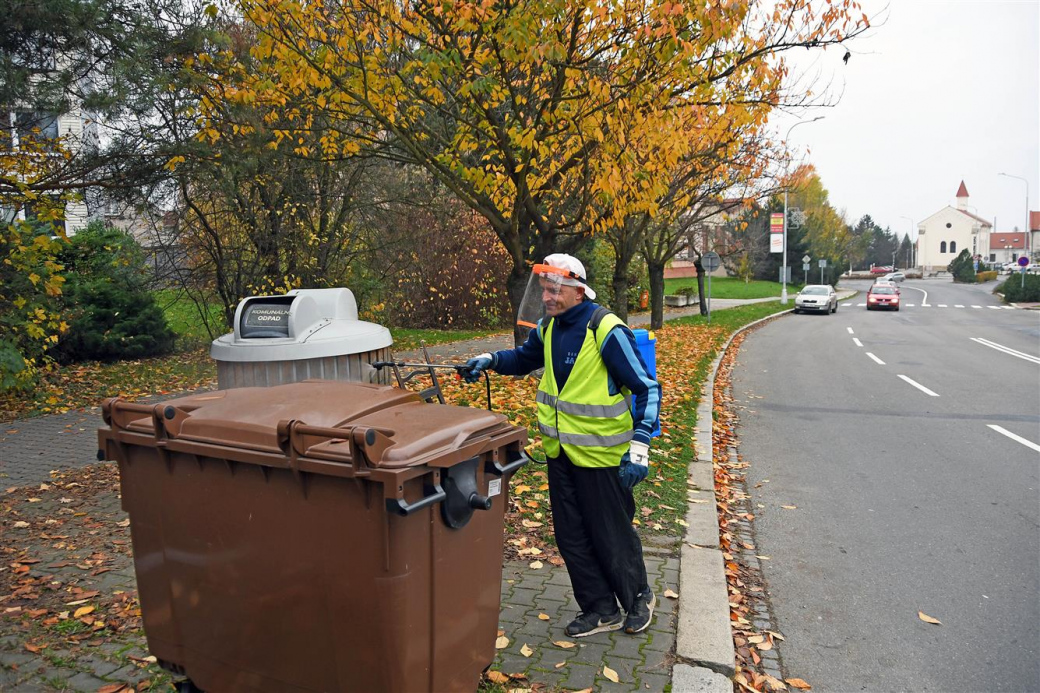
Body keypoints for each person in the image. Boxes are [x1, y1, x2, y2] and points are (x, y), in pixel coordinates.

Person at [462, 254, 662, 637]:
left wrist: (639, 445)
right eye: (544, 289)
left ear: (578, 290)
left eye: (555, 290)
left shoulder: (605, 328)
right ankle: (600, 608)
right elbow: (523, 359)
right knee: (571, 537)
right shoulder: (549, 328)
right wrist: (489, 360)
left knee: (611, 533)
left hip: (604, 457)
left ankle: (638, 597)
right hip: (561, 454)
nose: (548, 297)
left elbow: (646, 387)